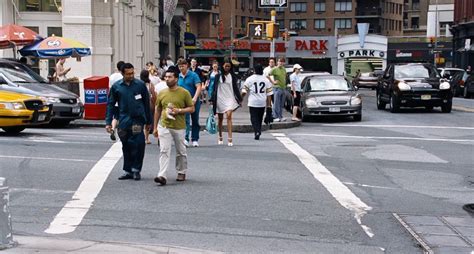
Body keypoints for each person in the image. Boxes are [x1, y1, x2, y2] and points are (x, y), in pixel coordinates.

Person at [105, 63, 151, 181]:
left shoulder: (140, 85)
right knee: (126, 145)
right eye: (128, 74)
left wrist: (149, 121)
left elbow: (146, 104)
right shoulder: (116, 87)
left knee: (138, 144)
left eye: (132, 73)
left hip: (137, 121)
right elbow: (110, 105)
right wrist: (108, 122)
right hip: (124, 121)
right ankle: (128, 170)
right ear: (122, 73)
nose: (131, 76)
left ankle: (136, 169)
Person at [153, 66, 195, 185]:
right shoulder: (162, 93)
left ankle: (181, 171)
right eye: (166, 77)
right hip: (164, 125)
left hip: (179, 126)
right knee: (164, 150)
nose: (167, 79)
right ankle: (162, 175)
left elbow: (192, 108)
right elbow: (158, 109)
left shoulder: (184, 93)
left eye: (170, 77)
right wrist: (155, 127)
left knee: (181, 151)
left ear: (176, 79)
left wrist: (179, 111)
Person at [210, 60, 243, 146]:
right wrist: (212, 100)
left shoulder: (232, 76)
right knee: (220, 119)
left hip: (229, 98)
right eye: (225, 66)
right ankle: (220, 136)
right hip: (220, 98)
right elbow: (214, 89)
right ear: (222, 66)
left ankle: (230, 138)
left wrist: (240, 99)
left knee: (229, 116)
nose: (227, 68)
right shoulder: (218, 76)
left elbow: (236, 88)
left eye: (229, 66)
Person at [241, 64, 273, 140]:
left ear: (254, 70)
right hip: (262, 102)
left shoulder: (250, 79)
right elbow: (269, 94)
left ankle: (257, 131)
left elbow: (244, 91)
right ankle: (258, 130)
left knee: (253, 118)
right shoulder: (266, 80)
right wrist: (269, 105)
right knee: (260, 118)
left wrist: (240, 99)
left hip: (253, 102)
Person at [177, 58, 203, 147]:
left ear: (187, 65)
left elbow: (199, 86)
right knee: (185, 120)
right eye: (179, 67)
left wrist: (195, 98)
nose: (181, 68)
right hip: (183, 103)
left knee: (195, 120)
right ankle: (186, 138)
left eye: (182, 66)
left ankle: (195, 139)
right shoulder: (178, 76)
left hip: (194, 101)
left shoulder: (193, 75)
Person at [108, 60, 125, 141]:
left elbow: (110, 88)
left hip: (114, 100)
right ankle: (121, 131)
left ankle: (113, 128)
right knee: (122, 117)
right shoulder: (123, 76)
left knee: (115, 117)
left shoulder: (112, 76)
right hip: (122, 100)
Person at [140, 69, 157, 144]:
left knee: (139, 121)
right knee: (148, 121)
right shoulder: (150, 84)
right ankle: (146, 138)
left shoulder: (138, 83)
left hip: (140, 104)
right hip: (149, 104)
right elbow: (153, 95)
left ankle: (140, 137)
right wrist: (154, 103)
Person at [268, 57, 287, 122]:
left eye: (282, 62)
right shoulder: (275, 69)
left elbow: (284, 77)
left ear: (284, 63)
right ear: (277, 62)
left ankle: (280, 116)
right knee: (276, 103)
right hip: (277, 88)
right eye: (279, 61)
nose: (281, 63)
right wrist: (273, 82)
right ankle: (275, 116)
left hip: (283, 88)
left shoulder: (284, 69)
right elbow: (267, 75)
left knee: (281, 103)